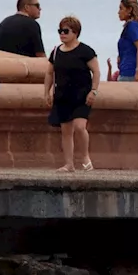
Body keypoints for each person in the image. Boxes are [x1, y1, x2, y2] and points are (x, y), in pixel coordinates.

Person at [44, 15, 100, 172]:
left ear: (75, 32)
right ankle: (69, 164)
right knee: (66, 130)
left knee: (80, 126)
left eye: (65, 31)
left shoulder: (85, 51)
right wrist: (46, 92)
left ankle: (85, 157)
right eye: (60, 31)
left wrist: (94, 90)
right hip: (63, 95)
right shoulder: (56, 52)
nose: (62, 34)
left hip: (81, 95)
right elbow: (49, 72)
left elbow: (96, 71)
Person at [116, 0, 138, 82]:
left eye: (121, 9)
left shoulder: (133, 25)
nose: (118, 12)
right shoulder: (129, 27)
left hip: (131, 74)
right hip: (126, 72)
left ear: (129, 9)